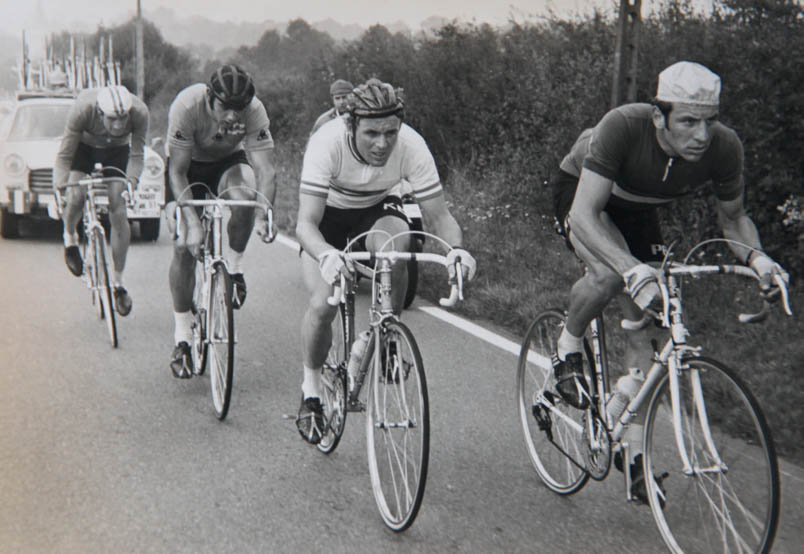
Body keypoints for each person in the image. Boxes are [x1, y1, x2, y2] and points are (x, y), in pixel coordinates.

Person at [550, 61, 789, 501]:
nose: (702, 134)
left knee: (651, 325)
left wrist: (762, 263)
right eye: (689, 121)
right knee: (607, 275)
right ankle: (567, 347)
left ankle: (635, 459)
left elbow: (734, 220)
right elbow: (585, 215)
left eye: (710, 122)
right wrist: (630, 268)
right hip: (584, 193)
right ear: (659, 117)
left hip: (637, 210)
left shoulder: (724, 148)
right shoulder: (621, 126)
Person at [294, 78, 477, 444]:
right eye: (372, 133)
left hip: (377, 208)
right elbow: (305, 224)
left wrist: (456, 250)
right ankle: (311, 388)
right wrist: (327, 254)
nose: (382, 144)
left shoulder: (411, 145)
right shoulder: (326, 142)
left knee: (396, 247)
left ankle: (386, 332)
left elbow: (440, 217)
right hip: (327, 216)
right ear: (351, 125)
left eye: (390, 133)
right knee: (322, 303)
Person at [166, 64, 277, 378]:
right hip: (187, 168)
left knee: (244, 200)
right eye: (225, 108)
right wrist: (191, 218)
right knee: (183, 246)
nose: (233, 116)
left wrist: (263, 213)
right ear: (209, 97)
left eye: (239, 109)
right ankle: (183, 338)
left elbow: (266, 171)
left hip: (228, 163)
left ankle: (234, 268)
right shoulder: (187, 105)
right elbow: (176, 171)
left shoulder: (254, 111)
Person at [54, 84, 149, 316]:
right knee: (76, 193)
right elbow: (65, 155)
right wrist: (61, 184)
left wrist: (132, 182)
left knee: (119, 204)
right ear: (99, 113)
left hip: (117, 152)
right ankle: (70, 237)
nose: (118, 125)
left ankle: (118, 283)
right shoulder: (82, 109)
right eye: (112, 119)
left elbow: (137, 154)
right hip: (84, 148)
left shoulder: (140, 112)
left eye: (122, 119)